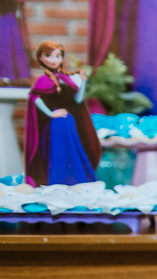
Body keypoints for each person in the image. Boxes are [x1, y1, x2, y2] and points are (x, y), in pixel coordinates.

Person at [24, 41, 102, 187]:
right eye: (48, 55)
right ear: (41, 58)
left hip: (69, 122)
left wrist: (83, 83)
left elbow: (78, 100)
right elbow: (35, 99)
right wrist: (51, 114)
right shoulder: (42, 81)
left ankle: (75, 181)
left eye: (58, 56)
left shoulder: (67, 78)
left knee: (72, 150)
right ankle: (55, 181)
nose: (54, 60)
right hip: (54, 125)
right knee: (57, 152)